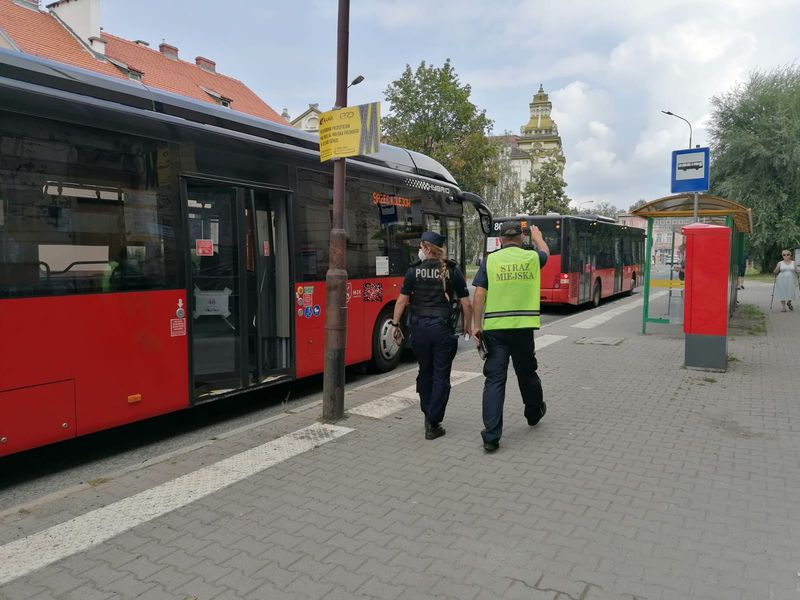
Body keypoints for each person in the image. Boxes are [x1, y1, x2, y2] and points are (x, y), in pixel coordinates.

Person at [472, 224, 549, 452]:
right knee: (527, 372)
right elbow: (545, 251)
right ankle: (534, 413)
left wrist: (477, 326)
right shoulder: (531, 257)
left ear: (501, 239)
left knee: (495, 380)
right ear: (521, 236)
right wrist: (538, 236)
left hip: (496, 330)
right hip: (523, 328)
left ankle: (491, 436)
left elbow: (479, 295)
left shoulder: (491, 260)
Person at [390, 231, 472, 440]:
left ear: (426, 248)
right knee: (441, 376)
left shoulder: (413, 271)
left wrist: (395, 324)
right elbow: (466, 303)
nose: (420, 250)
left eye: (421, 246)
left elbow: (401, 301)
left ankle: (428, 413)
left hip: (419, 330)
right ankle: (433, 422)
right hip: (442, 329)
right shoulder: (452, 271)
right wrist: (468, 327)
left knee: (425, 371)